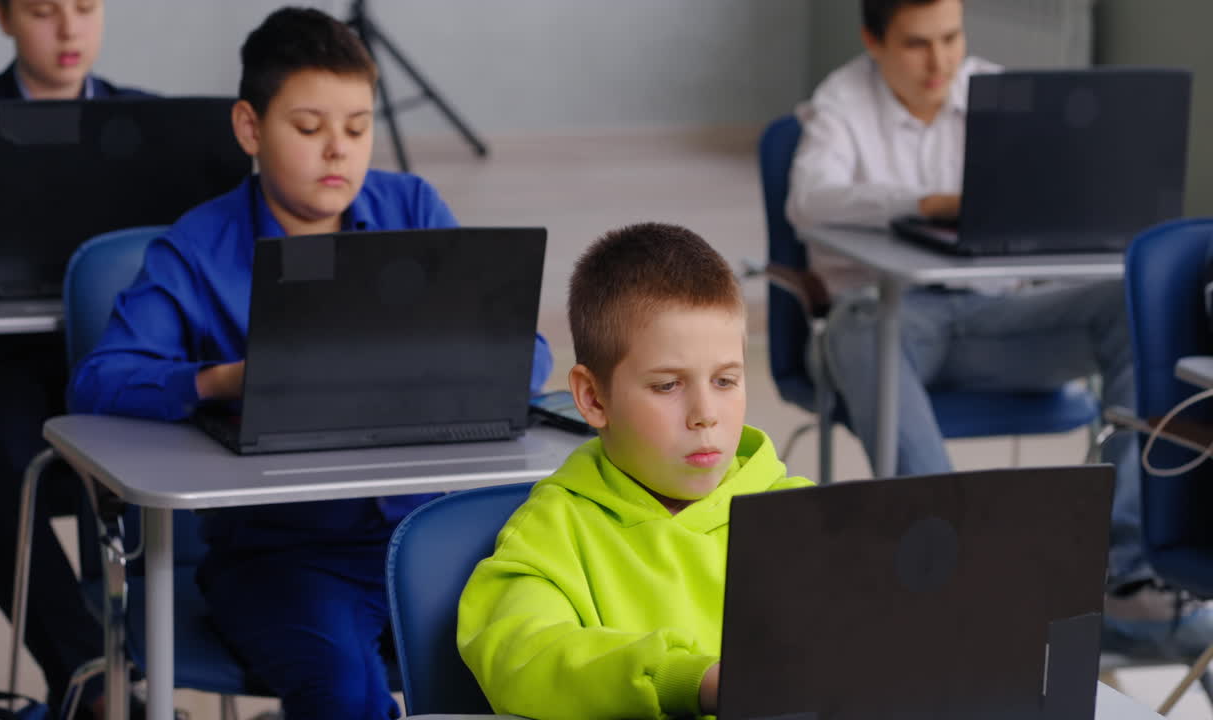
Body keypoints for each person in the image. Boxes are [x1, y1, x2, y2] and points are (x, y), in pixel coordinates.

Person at [68, 7, 552, 719]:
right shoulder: (196, 248)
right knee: (344, 697)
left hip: (426, 534)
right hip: (282, 553)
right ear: (249, 128)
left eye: (358, 128)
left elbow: (525, 355)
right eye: (309, 127)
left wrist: (466, 367)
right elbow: (101, 378)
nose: (339, 151)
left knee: (537, 667)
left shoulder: (411, 207)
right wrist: (222, 380)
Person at [786, 0, 1213, 660]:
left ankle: (1124, 573)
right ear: (874, 41)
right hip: (887, 323)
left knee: (1130, 307)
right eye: (918, 45)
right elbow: (810, 199)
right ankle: (959, 578)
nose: (941, 62)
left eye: (951, 38)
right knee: (860, 329)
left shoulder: (1000, 92)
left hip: (996, 322)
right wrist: (925, 205)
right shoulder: (841, 101)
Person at [457, 222, 812, 719]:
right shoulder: (552, 533)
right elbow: (524, 655)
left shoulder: (805, 517)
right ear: (592, 397)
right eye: (668, 386)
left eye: (726, 380)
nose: (705, 413)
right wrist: (687, 681)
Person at [0, 1, 147, 717]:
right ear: (4, 18)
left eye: (85, 8)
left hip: (117, 356)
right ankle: (90, 671)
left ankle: (128, 667)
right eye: (43, 11)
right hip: (7, 366)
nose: (68, 30)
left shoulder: (151, 121)